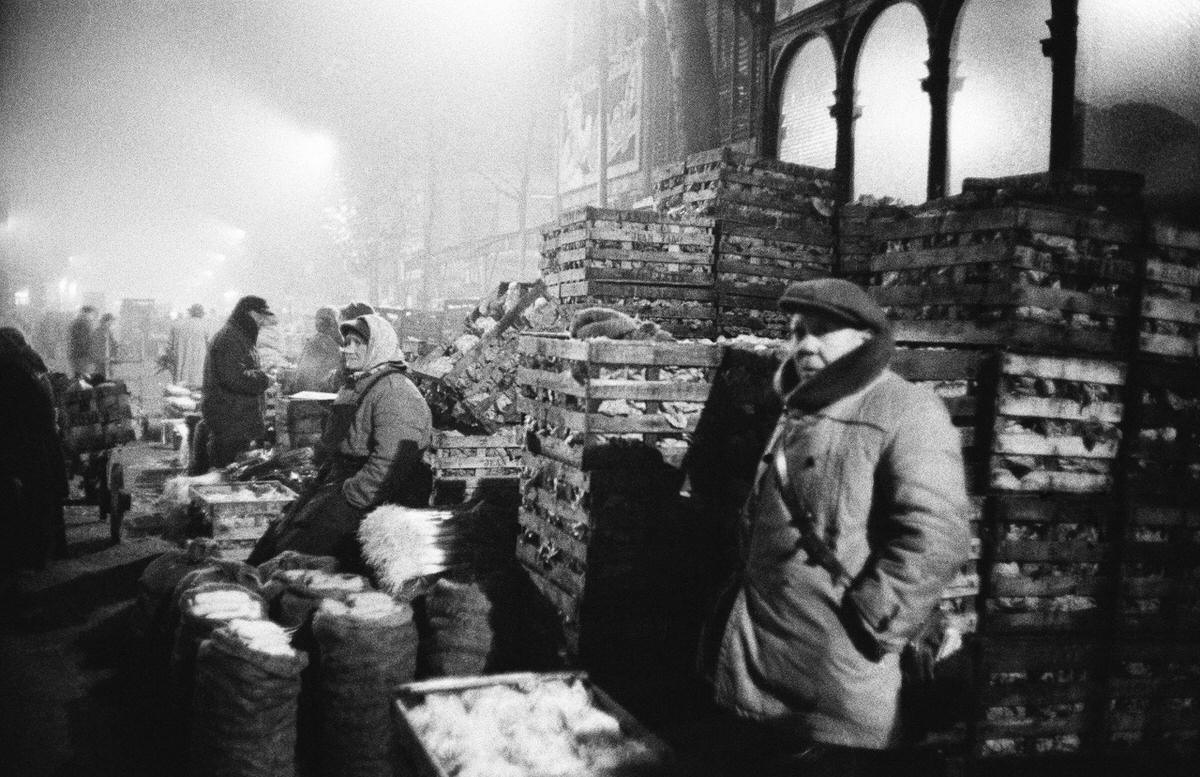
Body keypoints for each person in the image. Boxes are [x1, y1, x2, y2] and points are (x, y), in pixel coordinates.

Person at [703, 278, 970, 776]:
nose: (806, 344)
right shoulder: (802, 408)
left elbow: (936, 535)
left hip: (838, 669)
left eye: (824, 331)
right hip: (769, 654)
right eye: (798, 331)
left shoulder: (906, 410)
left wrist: (875, 620)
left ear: (867, 339)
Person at [248, 313, 432, 571]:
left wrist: (350, 495)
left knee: (301, 549)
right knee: (281, 533)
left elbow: (392, 463)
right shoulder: (359, 382)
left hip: (370, 492)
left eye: (358, 343)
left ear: (378, 346)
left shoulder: (396, 392)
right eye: (347, 342)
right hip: (341, 477)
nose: (347, 349)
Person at [0, 327, 70, 573]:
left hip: (28, 444)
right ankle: (47, 551)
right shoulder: (30, 362)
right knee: (42, 499)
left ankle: (31, 558)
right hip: (42, 442)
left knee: (30, 502)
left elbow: (13, 414)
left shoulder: (12, 371)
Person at [200, 295, 274, 467]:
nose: (263, 321)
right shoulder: (230, 338)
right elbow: (235, 377)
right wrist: (264, 379)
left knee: (235, 470)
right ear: (249, 313)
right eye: (260, 315)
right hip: (230, 420)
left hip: (236, 418)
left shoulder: (239, 335)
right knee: (228, 470)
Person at [294, 307, 342, 392]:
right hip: (316, 396)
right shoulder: (320, 343)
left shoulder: (318, 341)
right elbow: (304, 378)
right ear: (333, 325)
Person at [170, 303, 209, 388]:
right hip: (198, 360)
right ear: (201, 314)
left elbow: (173, 344)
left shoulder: (181, 324)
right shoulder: (204, 325)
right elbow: (209, 342)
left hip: (183, 363)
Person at [67, 305, 98, 378]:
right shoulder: (83, 323)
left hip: (77, 354)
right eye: (92, 314)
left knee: (79, 376)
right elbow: (83, 341)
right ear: (87, 313)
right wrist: (90, 354)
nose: (93, 317)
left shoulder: (78, 322)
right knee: (83, 377)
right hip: (81, 355)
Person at [89, 313, 118, 381]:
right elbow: (96, 346)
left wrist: (113, 355)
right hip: (101, 359)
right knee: (101, 376)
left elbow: (112, 343)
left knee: (108, 375)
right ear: (106, 321)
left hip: (106, 359)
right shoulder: (98, 331)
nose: (111, 323)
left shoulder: (107, 331)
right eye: (111, 321)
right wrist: (101, 358)